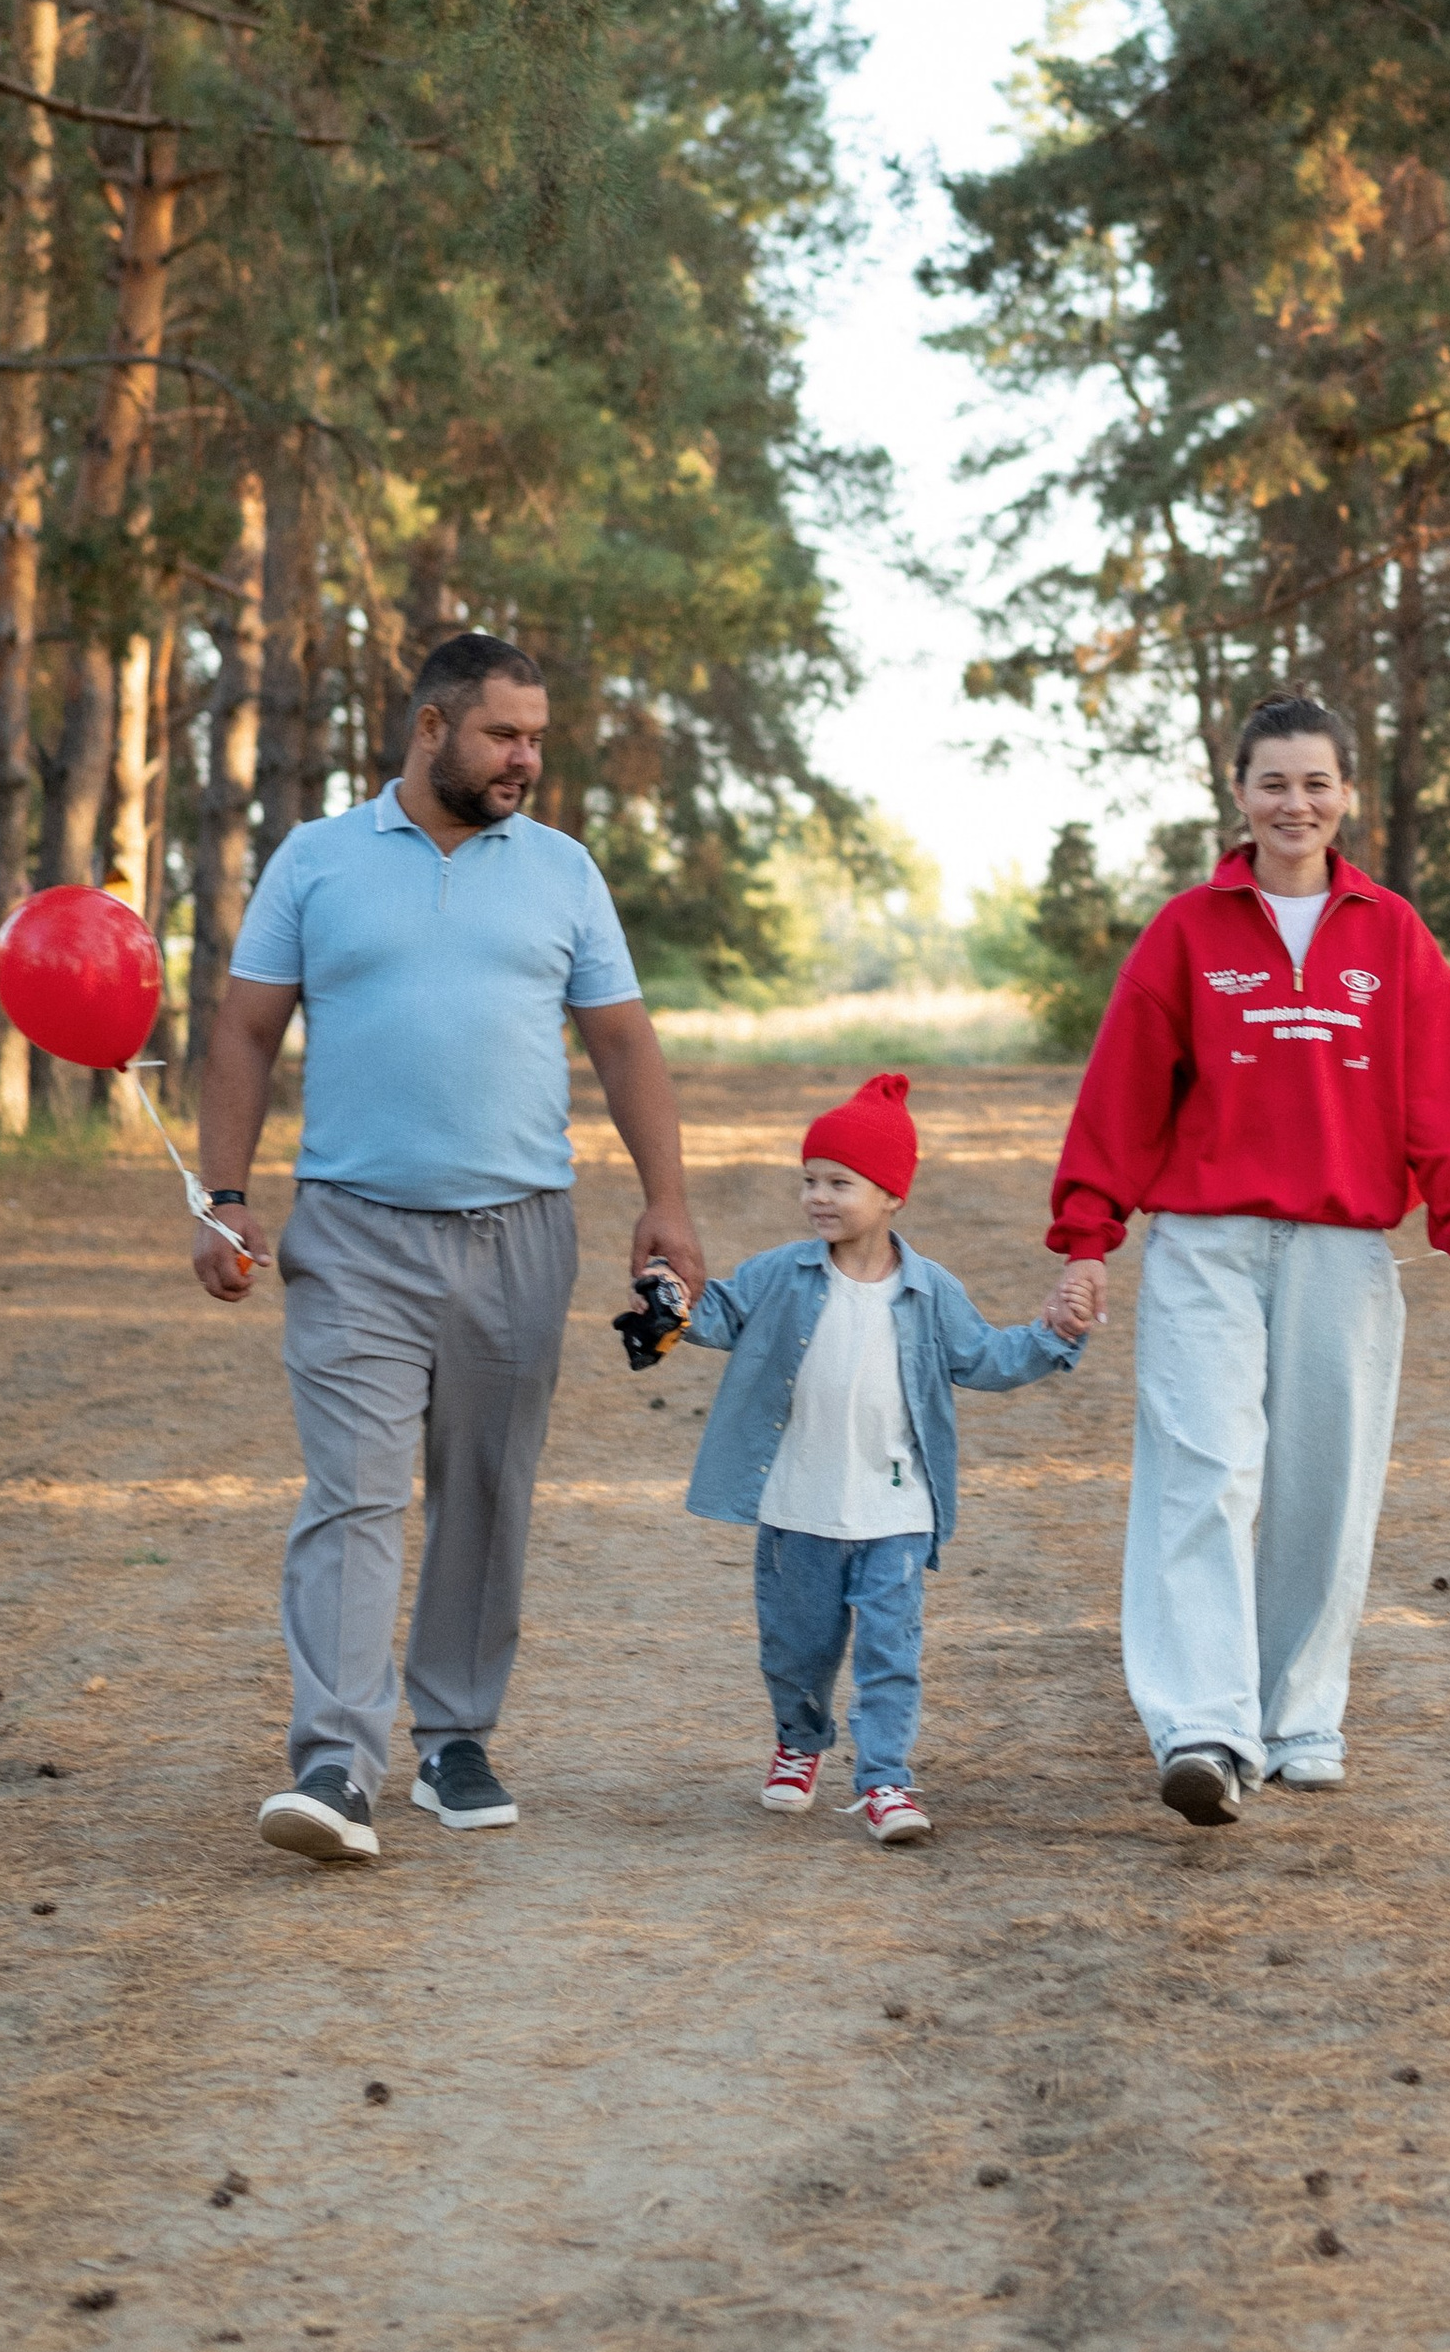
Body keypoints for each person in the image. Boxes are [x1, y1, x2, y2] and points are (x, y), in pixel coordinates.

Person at [192, 629, 705, 1866]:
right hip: (354, 1234)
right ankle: (334, 1761)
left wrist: (666, 1203)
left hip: (520, 1231)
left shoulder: (565, 872)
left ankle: (457, 1735)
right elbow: (248, 1029)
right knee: (356, 1488)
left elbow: (624, 1043)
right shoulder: (315, 861)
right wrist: (222, 1191)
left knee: (484, 1485)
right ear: (431, 728)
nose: (526, 757)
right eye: (503, 734)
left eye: (536, 736)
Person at [1046, 692, 1450, 1829]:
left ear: (1346, 797)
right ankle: (1205, 1728)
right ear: (1237, 793)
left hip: (1340, 1250)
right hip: (1205, 1245)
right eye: (1273, 782)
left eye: (1316, 782)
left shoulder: (1392, 934)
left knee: (1324, 1486)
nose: (1295, 803)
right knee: (1205, 1471)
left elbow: (1442, 1114)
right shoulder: (1186, 932)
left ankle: (1299, 1716)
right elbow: (1121, 1102)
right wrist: (1088, 1240)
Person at [680, 1069, 1098, 1842]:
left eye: (840, 1180)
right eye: (809, 1180)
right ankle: (799, 1743)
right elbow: (718, 1312)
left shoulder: (929, 1291)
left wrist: (1053, 1335)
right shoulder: (781, 1272)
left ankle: (885, 1781)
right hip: (798, 1507)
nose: (819, 1196)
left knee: (889, 1651)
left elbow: (986, 1359)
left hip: (895, 1512)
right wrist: (668, 1297)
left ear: (892, 1194)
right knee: (796, 1649)